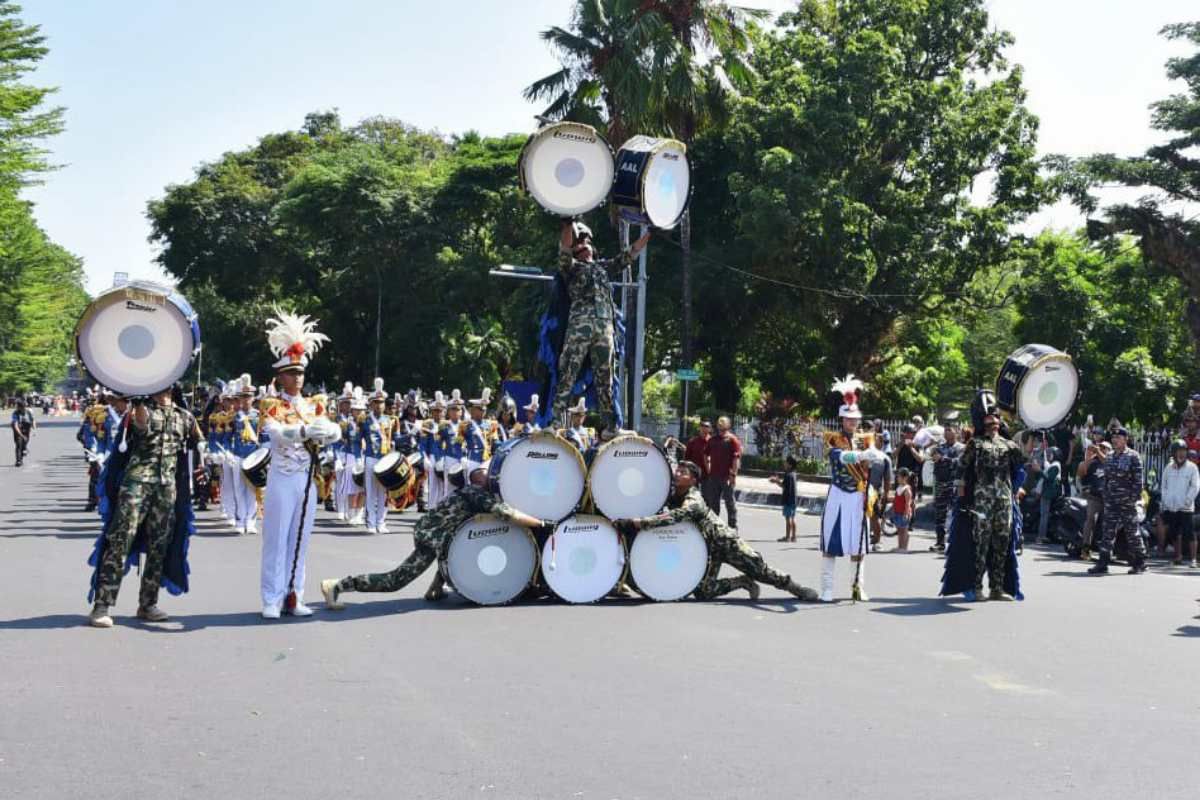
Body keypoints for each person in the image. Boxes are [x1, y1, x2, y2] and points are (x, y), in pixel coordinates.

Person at [321, 465, 550, 609]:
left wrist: (436, 585)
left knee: (458, 550)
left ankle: (436, 589)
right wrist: (540, 523)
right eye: (488, 479)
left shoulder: (471, 492)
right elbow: (508, 514)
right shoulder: (477, 494)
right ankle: (338, 585)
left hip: (436, 535)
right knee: (395, 581)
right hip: (430, 535)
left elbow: (450, 542)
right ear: (481, 482)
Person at [614, 461, 818, 601]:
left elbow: (673, 518)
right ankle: (743, 582)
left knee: (762, 570)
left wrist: (638, 523)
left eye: (683, 473)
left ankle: (796, 588)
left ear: (693, 480)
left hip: (726, 543)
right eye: (677, 470)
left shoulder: (694, 500)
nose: (677, 474)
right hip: (708, 551)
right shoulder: (674, 494)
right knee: (704, 591)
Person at [87, 387, 204, 628]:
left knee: (159, 545)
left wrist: (203, 464)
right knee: (120, 540)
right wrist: (139, 402)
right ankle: (102, 604)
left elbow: (198, 443)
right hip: (136, 485)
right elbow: (142, 427)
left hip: (166, 488)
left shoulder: (185, 416)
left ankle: (148, 603)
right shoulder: (141, 410)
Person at [258, 309, 340, 619]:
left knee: (301, 540)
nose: (297, 378)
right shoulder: (272, 404)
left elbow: (333, 430)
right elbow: (274, 434)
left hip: (307, 478)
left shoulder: (315, 404)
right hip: (282, 476)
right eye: (291, 373)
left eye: (301, 372)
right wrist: (304, 431)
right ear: (279, 376)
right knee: (276, 540)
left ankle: (295, 596)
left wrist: (331, 431)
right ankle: (271, 598)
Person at [551, 219, 650, 438]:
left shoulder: (603, 268)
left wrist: (650, 231)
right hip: (580, 327)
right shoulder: (571, 268)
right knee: (568, 371)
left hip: (605, 329)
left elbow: (629, 255)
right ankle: (555, 421)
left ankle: (611, 426)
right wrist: (568, 222)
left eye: (586, 242)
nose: (583, 245)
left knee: (606, 379)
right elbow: (565, 247)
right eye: (580, 243)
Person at [819, 376, 884, 602]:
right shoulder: (832, 438)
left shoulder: (866, 439)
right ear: (842, 419)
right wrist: (860, 455)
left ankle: (857, 587)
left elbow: (871, 459)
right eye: (848, 419)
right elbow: (839, 457)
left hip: (858, 495)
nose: (853, 423)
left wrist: (874, 455)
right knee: (832, 541)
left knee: (859, 543)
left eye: (855, 419)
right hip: (838, 494)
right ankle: (827, 588)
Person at [957, 410, 1026, 601]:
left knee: (1002, 544)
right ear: (983, 426)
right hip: (983, 500)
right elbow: (962, 465)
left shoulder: (1008, 444)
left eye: (995, 423)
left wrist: (1034, 438)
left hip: (1003, 499)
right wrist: (960, 488)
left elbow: (1023, 461)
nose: (993, 426)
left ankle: (997, 587)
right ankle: (977, 586)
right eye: (989, 424)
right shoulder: (976, 444)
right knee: (981, 543)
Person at [1089, 427, 1148, 575]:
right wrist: (1106, 494)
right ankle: (1103, 563)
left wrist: (1132, 499)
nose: (1115, 440)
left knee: (1132, 532)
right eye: (1113, 438)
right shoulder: (1110, 456)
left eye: (1118, 438)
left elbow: (1138, 481)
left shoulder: (1133, 456)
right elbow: (1106, 478)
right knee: (1107, 532)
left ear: (1125, 439)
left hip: (1127, 502)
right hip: (1111, 502)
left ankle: (1140, 562)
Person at [359, 378, 397, 534]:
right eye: (376, 402)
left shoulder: (389, 420)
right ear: (371, 404)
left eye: (381, 403)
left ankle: (381, 522)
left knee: (383, 492)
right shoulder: (365, 420)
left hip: (384, 458)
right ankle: (370, 522)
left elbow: (392, 439)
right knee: (371, 492)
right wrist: (358, 457)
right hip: (370, 457)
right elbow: (357, 439)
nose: (379, 405)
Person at [1158, 440, 1199, 567]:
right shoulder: (1168, 468)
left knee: (1189, 533)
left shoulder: (1192, 468)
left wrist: (1187, 500)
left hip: (1186, 507)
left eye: (1183, 451)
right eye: (1178, 451)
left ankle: (1193, 559)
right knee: (1174, 533)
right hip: (1172, 506)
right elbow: (1163, 486)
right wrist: (1166, 500)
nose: (1181, 454)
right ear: (1173, 453)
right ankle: (1178, 557)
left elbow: (1195, 486)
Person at [703, 415, 742, 530]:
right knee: (713, 505)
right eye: (719, 425)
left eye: (723, 425)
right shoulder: (713, 440)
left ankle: (732, 527)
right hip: (714, 477)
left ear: (728, 426)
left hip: (726, 477)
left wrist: (733, 475)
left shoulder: (732, 440)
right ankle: (715, 528)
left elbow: (736, 458)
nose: (721, 428)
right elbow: (705, 454)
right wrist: (708, 469)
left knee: (730, 504)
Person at [930, 425, 964, 552]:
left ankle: (956, 542)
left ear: (956, 433)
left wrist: (945, 459)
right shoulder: (940, 447)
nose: (947, 433)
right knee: (940, 514)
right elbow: (933, 457)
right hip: (940, 483)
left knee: (957, 513)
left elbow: (960, 462)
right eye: (946, 431)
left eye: (950, 431)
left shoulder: (961, 447)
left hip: (954, 483)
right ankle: (940, 542)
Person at [1076, 441, 1110, 560]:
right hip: (1094, 497)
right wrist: (1088, 456)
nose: (1101, 449)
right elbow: (1081, 472)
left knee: (1110, 523)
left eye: (1104, 448)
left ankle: (1107, 550)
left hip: (1109, 498)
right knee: (1091, 519)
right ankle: (1086, 548)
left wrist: (1098, 452)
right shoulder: (1092, 462)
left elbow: (1107, 462)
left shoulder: (1110, 462)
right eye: (1100, 447)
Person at [1033, 445, 1062, 544]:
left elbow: (1049, 478)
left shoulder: (1055, 466)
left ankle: (1041, 536)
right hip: (1047, 492)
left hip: (1048, 494)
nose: (1049, 455)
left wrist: (1039, 470)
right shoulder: (1052, 464)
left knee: (1044, 515)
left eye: (1051, 454)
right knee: (1044, 515)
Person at [769, 455, 799, 542]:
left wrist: (776, 481)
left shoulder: (788, 475)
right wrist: (777, 481)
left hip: (788, 500)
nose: (784, 463)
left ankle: (787, 537)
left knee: (788, 518)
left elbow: (784, 486)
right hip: (794, 499)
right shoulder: (793, 474)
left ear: (790, 464)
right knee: (793, 518)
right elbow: (785, 486)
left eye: (786, 462)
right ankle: (794, 537)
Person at [890, 468, 914, 551]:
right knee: (899, 530)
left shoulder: (907, 489)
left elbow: (908, 503)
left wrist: (906, 513)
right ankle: (900, 546)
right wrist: (893, 509)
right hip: (897, 512)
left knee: (904, 531)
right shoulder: (899, 487)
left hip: (903, 513)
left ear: (905, 478)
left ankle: (904, 548)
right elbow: (896, 499)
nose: (897, 478)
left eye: (899, 477)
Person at [10, 398, 34, 466]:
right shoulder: (15, 413)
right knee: (18, 444)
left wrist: (34, 430)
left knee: (24, 444)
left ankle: (24, 450)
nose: (17, 408)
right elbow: (15, 425)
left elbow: (32, 421)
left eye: (18, 406)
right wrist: (21, 435)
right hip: (18, 430)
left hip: (26, 429)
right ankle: (18, 461)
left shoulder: (29, 412)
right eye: (17, 407)